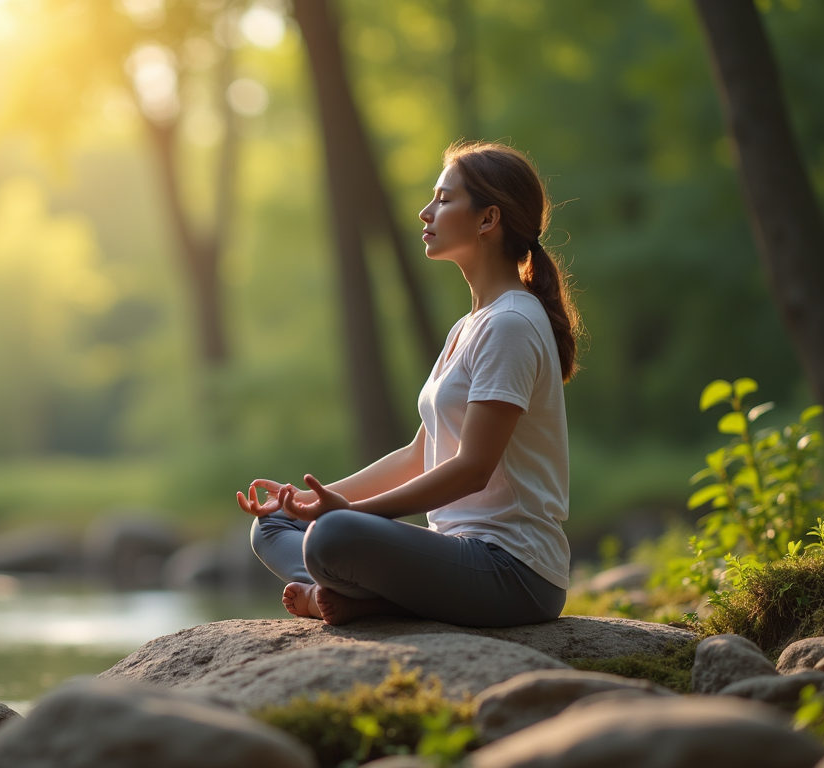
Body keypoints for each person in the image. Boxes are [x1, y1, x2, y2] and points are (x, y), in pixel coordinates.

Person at [236, 141, 582, 628]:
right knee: (273, 525)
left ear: (488, 220)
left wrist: (349, 513)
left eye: (443, 199)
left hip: (514, 571)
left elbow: (472, 470)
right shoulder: (470, 325)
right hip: (459, 558)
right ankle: (374, 599)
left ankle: (374, 599)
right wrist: (310, 502)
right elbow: (420, 454)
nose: (426, 212)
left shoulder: (511, 323)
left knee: (333, 536)